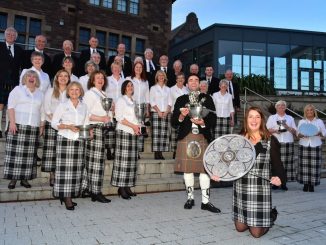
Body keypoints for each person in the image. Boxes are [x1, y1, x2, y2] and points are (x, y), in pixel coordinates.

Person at [216, 106, 285, 238]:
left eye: (257, 117)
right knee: (240, 228)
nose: (254, 120)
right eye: (251, 116)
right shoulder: (237, 139)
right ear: (246, 120)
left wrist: (279, 178)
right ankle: (253, 218)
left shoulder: (270, 140)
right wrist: (219, 173)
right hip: (241, 188)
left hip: (260, 190)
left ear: (262, 120)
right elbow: (227, 162)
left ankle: (270, 216)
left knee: (256, 233)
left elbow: (278, 165)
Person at [171, 74, 220, 213]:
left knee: (205, 170)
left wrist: (203, 122)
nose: (193, 82)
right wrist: (181, 115)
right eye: (191, 80)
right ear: (187, 83)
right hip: (186, 136)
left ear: (199, 83)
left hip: (202, 136)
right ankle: (190, 198)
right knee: (188, 170)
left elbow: (213, 119)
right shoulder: (181, 99)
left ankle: (206, 201)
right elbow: (174, 122)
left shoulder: (207, 98)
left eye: (196, 80)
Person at [51, 82, 88, 210]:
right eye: (71, 89)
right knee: (65, 171)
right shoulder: (62, 105)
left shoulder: (84, 106)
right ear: (68, 92)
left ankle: (69, 195)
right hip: (65, 139)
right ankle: (66, 197)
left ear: (81, 91)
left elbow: (86, 122)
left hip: (78, 140)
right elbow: (54, 123)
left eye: (77, 89)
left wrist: (89, 132)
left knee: (76, 170)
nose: (74, 92)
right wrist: (68, 126)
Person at [4, 70, 43, 189]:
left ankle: (25, 179)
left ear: (36, 80)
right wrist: (12, 123)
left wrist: (41, 125)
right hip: (18, 125)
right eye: (29, 76)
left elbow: (42, 111)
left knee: (29, 156)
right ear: (25, 78)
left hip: (33, 127)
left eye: (34, 76)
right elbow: (10, 106)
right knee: (15, 155)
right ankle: (13, 179)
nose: (31, 78)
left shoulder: (40, 93)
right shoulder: (18, 90)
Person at [81, 70, 111, 203]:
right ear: (92, 80)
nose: (100, 80)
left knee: (96, 161)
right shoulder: (89, 94)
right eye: (97, 78)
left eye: (102, 78)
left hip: (102, 129)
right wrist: (102, 118)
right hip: (94, 128)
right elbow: (86, 113)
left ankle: (89, 189)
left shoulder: (103, 94)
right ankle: (96, 192)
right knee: (96, 162)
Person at [111, 80, 140, 199]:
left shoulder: (134, 101)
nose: (130, 87)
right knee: (123, 161)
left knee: (131, 162)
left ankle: (128, 186)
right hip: (123, 131)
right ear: (124, 88)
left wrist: (138, 127)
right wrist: (133, 126)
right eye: (128, 85)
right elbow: (118, 117)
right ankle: (121, 188)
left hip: (133, 132)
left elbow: (137, 118)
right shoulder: (121, 100)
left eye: (132, 85)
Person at [41, 69, 70, 187]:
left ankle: (61, 175)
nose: (63, 78)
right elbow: (46, 108)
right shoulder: (50, 91)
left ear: (68, 79)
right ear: (57, 78)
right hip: (52, 124)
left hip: (66, 126)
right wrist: (55, 121)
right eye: (61, 76)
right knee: (52, 151)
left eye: (65, 76)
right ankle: (52, 175)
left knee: (63, 152)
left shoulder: (71, 91)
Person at [266, 100, 297, 190]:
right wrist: (276, 131)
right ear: (276, 108)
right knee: (275, 164)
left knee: (286, 164)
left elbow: (295, 132)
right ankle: (275, 183)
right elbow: (267, 130)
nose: (281, 107)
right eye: (279, 106)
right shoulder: (272, 118)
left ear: (285, 108)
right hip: (275, 142)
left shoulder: (290, 118)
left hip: (287, 142)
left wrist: (287, 127)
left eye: (283, 106)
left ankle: (283, 183)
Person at [0, 27, 23, 138]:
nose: (11, 36)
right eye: (8, 34)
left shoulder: (19, 50)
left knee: (11, 105)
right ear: (5, 36)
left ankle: (8, 128)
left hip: (13, 83)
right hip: (0, 81)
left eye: (13, 35)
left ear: (16, 37)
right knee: (0, 105)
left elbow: (21, 66)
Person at [297, 104, 326, 192]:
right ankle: (305, 184)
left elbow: (324, 134)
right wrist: (302, 134)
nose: (309, 112)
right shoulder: (301, 122)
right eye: (307, 110)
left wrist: (319, 133)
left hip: (315, 145)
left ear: (314, 111)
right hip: (304, 145)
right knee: (304, 166)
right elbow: (297, 135)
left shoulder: (319, 121)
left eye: (311, 110)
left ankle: (312, 185)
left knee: (314, 166)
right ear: (305, 112)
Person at [127, 61, 150, 157]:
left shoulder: (145, 81)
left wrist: (148, 109)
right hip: (132, 106)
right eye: (137, 67)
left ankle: (138, 151)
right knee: (133, 127)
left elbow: (147, 96)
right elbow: (125, 92)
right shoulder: (129, 79)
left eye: (140, 67)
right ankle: (132, 150)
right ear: (134, 68)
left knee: (140, 128)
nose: (138, 69)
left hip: (142, 108)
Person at [150, 70, 172, 160]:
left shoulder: (168, 89)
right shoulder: (153, 88)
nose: (161, 77)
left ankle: (161, 152)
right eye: (159, 75)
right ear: (156, 77)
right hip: (156, 112)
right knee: (156, 134)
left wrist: (166, 111)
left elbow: (170, 101)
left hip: (166, 113)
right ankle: (156, 153)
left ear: (165, 77)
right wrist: (158, 111)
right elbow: (152, 101)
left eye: (162, 75)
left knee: (164, 134)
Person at [105, 62, 124, 160]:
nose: (116, 69)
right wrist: (110, 105)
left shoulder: (124, 81)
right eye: (114, 68)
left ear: (121, 69)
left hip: (121, 110)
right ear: (112, 69)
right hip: (110, 109)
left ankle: (116, 151)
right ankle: (109, 151)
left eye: (118, 67)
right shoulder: (107, 80)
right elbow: (104, 93)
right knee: (110, 131)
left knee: (118, 131)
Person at [170, 72, 188, 159]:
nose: (180, 79)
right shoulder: (171, 89)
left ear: (184, 80)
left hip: (186, 115)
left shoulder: (187, 89)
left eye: (182, 78)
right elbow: (169, 102)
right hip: (175, 113)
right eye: (179, 78)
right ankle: (174, 152)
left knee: (183, 133)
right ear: (176, 79)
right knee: (174, 134)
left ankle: (181, 151)